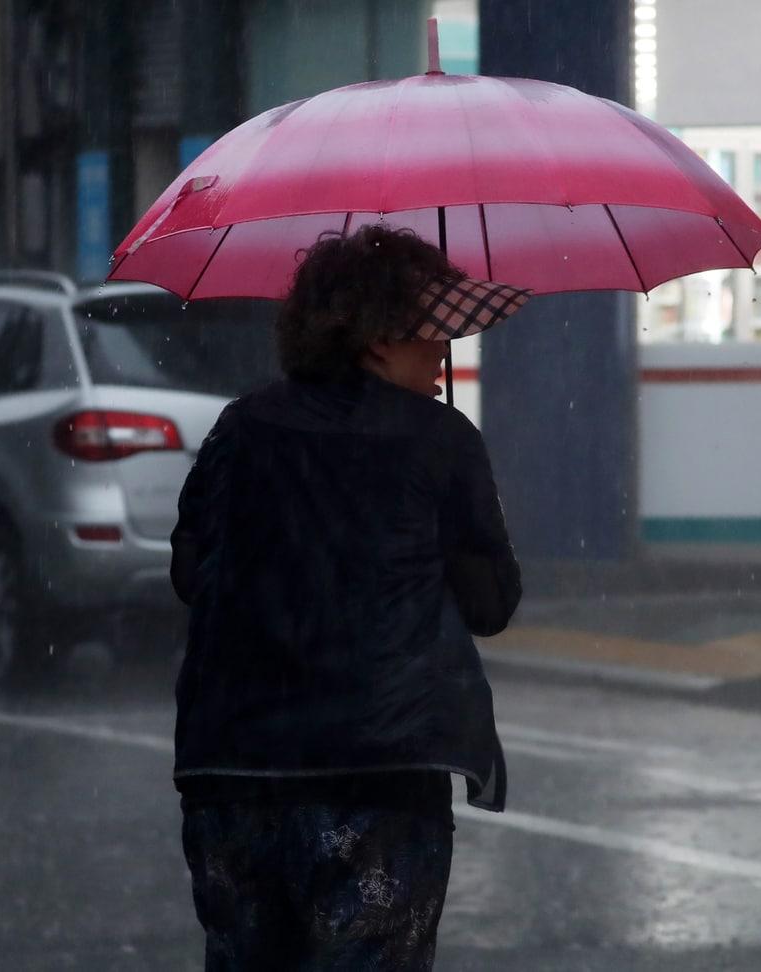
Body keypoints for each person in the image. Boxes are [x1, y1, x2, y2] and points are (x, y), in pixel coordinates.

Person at [170, 224, 528, 970]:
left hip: (233, 771)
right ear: (374, 339)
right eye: (429, 333)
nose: (442, 353)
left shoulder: (240, 429)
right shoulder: (439, 440)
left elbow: (188, 574)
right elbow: (492, 604)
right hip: (378, 777)